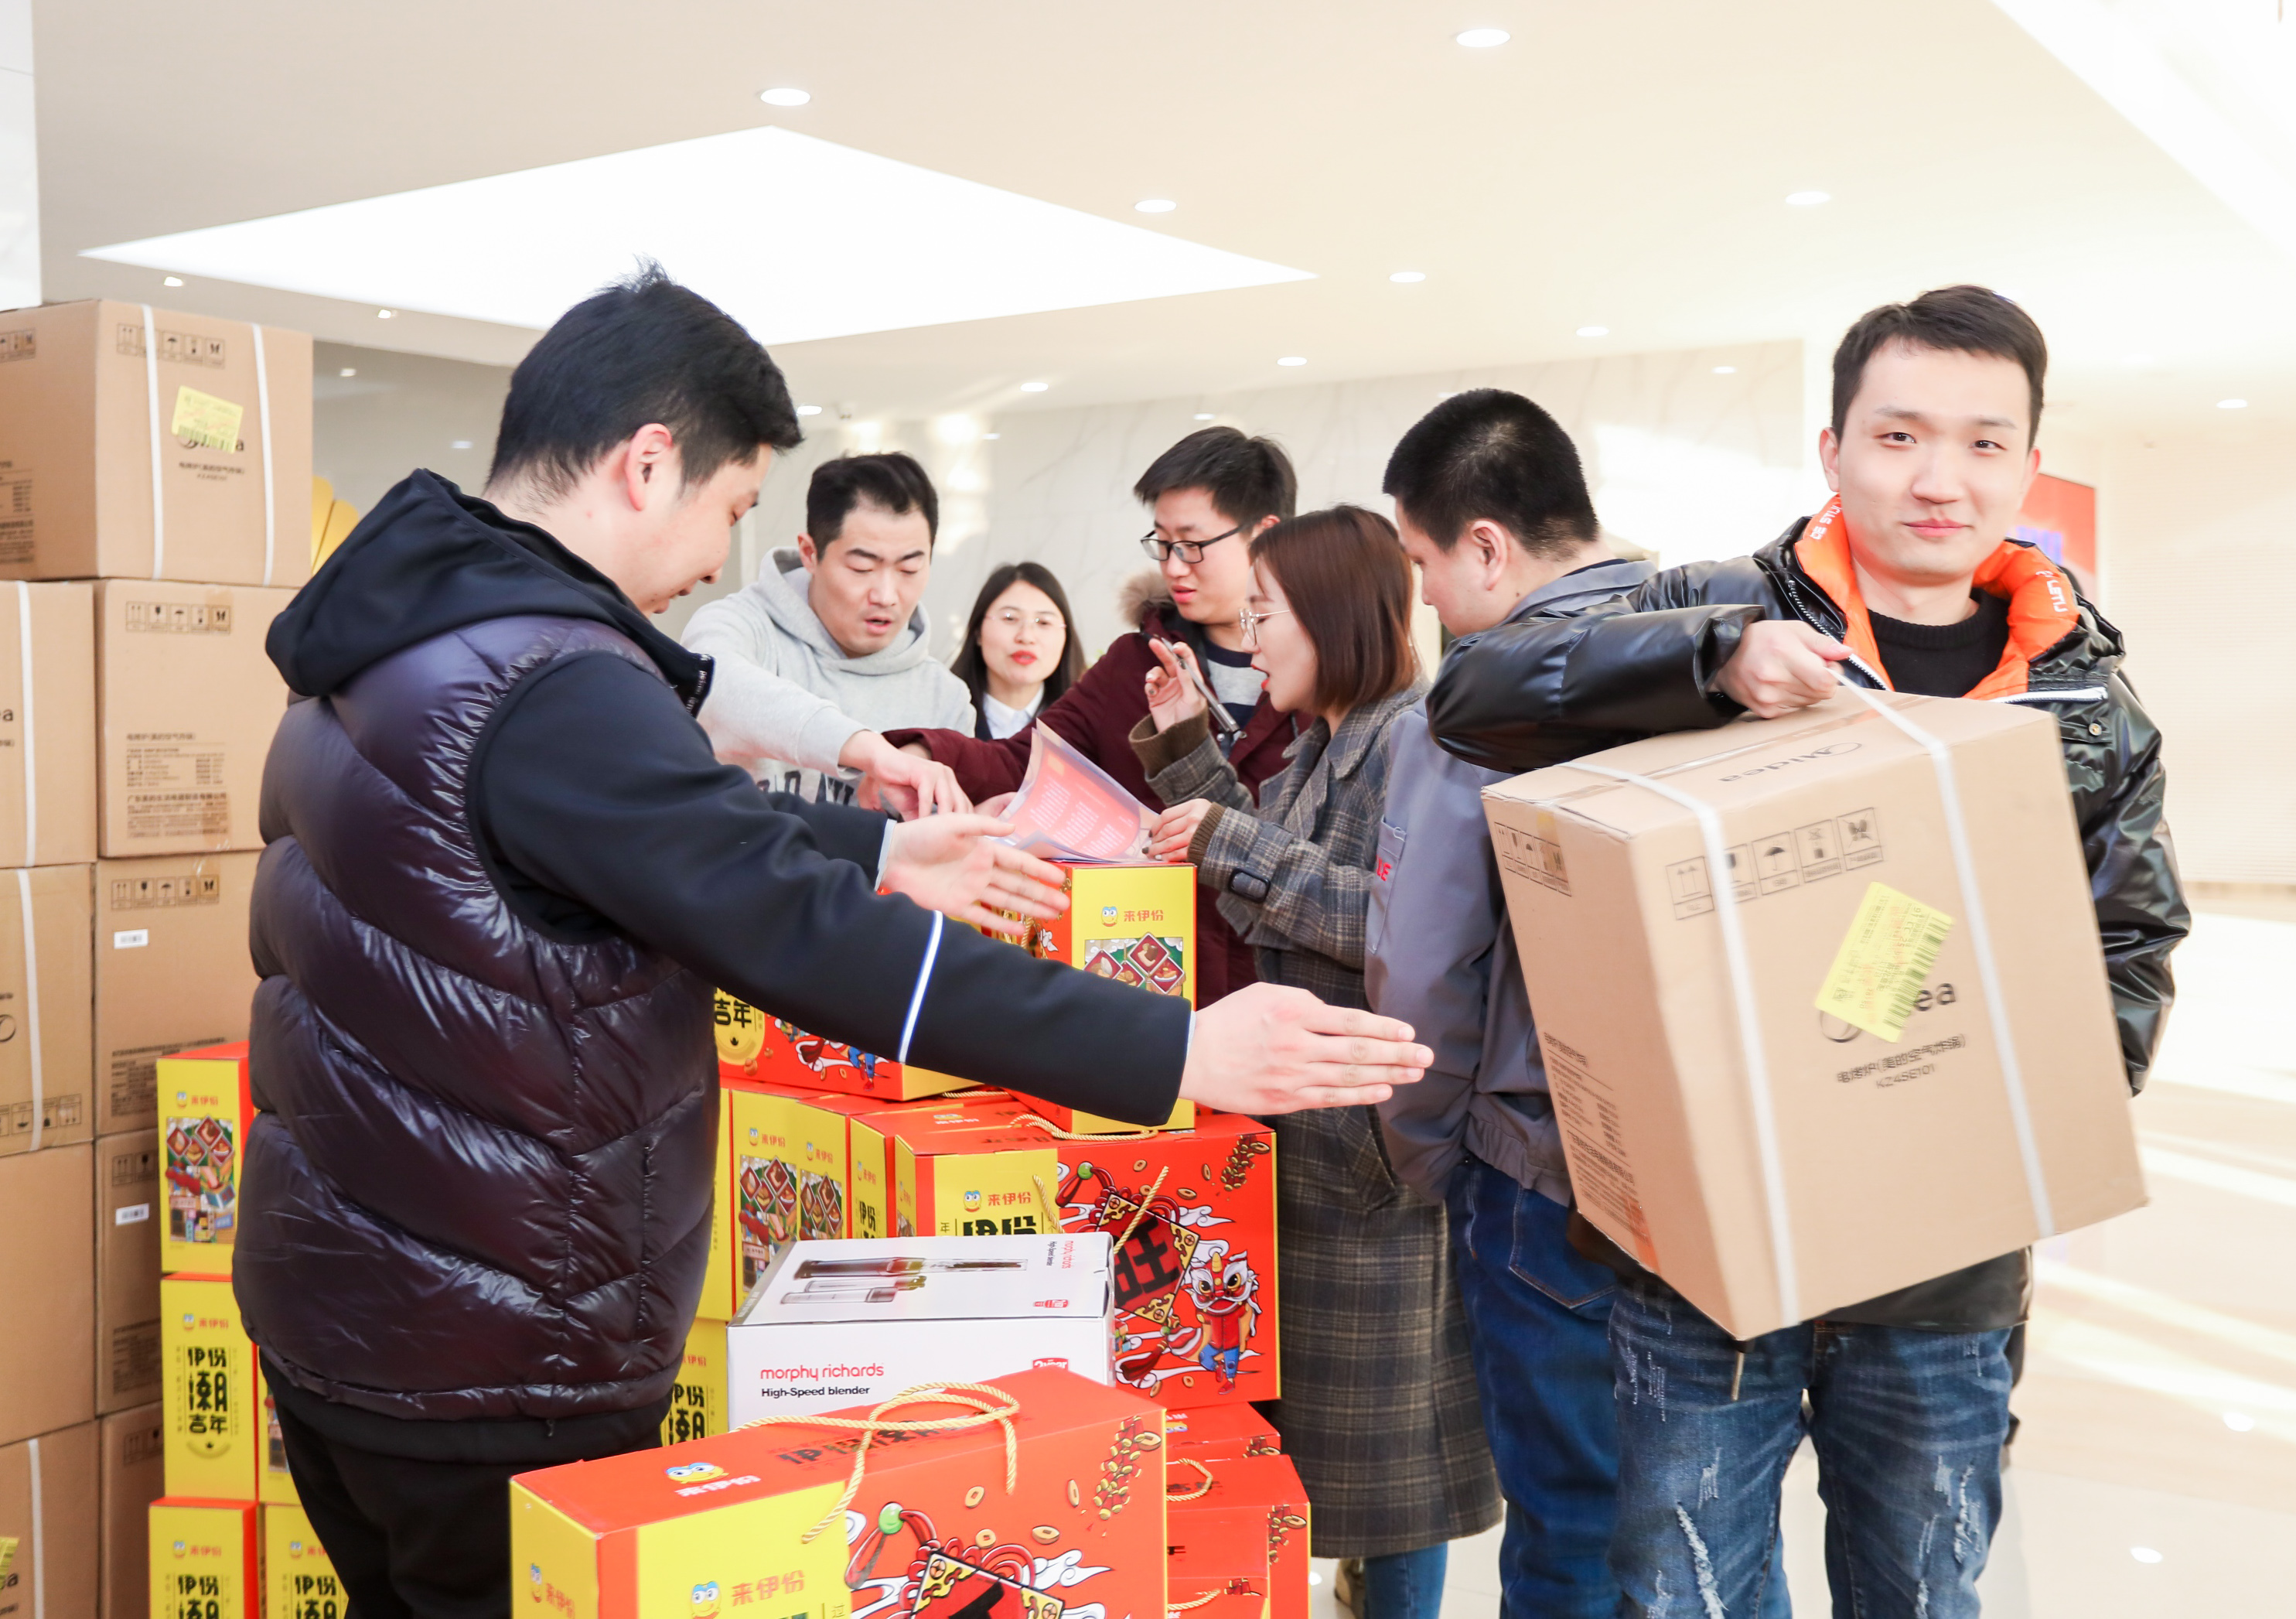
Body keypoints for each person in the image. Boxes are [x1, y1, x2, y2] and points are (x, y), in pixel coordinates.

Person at [238, 267, 1433, 1619]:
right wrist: (1176, 1047)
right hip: (493, 1346)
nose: (718, 560)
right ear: (647, 464)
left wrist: (881, 849)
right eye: (732, 508)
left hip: (346, 1303)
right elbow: (793, 932)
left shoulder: (413, 632)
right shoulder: (549, 680)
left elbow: (638, 822)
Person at [1424, 287, 2190, 1617]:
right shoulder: (1721, 604)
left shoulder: (2085, 692)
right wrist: (1713, 662)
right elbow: (1472, 694)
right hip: (1706, 1250)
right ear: (1832, 447)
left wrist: (2014, 1121)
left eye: (1983, 442)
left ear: (2027, 461)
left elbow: (2131, 935)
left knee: (1923, 1584)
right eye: (1899, 436)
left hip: (1947, 1258)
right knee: (1685, 1588)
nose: (1940, 478)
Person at [1365, 388, 1817, 1619]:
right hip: (1740, 1174)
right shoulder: (1745, 659)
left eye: (1421, 562)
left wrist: (1432, 1155)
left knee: (1573, 1527)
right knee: (1721, 1529)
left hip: (1546, 1177)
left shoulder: (1474, 707)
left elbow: (1422, 971)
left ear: (1486, 548)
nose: (1425, 596)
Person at [1132, 507, 1500, 1619]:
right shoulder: (1321, 740)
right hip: (1315, 1132)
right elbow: (1270, 879)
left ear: (1333, 617)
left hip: (1375, 1141)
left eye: (1266, 614)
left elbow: (1401, 923)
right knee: (1331, 1448)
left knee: (1391, 1465)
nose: (1249, 641)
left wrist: (1230, 838)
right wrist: (1187, 750)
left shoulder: (1412, 739)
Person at [892, 426, 1300, 1002]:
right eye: (1161, 543)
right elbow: (1024, 761)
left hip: (1282, 990)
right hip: (1150, 983)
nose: (1174, 566)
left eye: (1192, 544)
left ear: (1264, 534)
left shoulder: (1318, 675)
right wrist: (924, 755)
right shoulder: (1134, 665)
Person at [684, 450, 974, 817]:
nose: (886, 596)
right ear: (810, 553)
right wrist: (868, 750)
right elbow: (713, 686)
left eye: (909, 570)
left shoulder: (945, 698)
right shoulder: (739, 626)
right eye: (862, 568)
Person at [947, 561, 1083, 739]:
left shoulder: (1084, 726)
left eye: (1044, 622)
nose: (1026, 636)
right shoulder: (942, 715)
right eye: (1010, 618)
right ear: (978, 631)